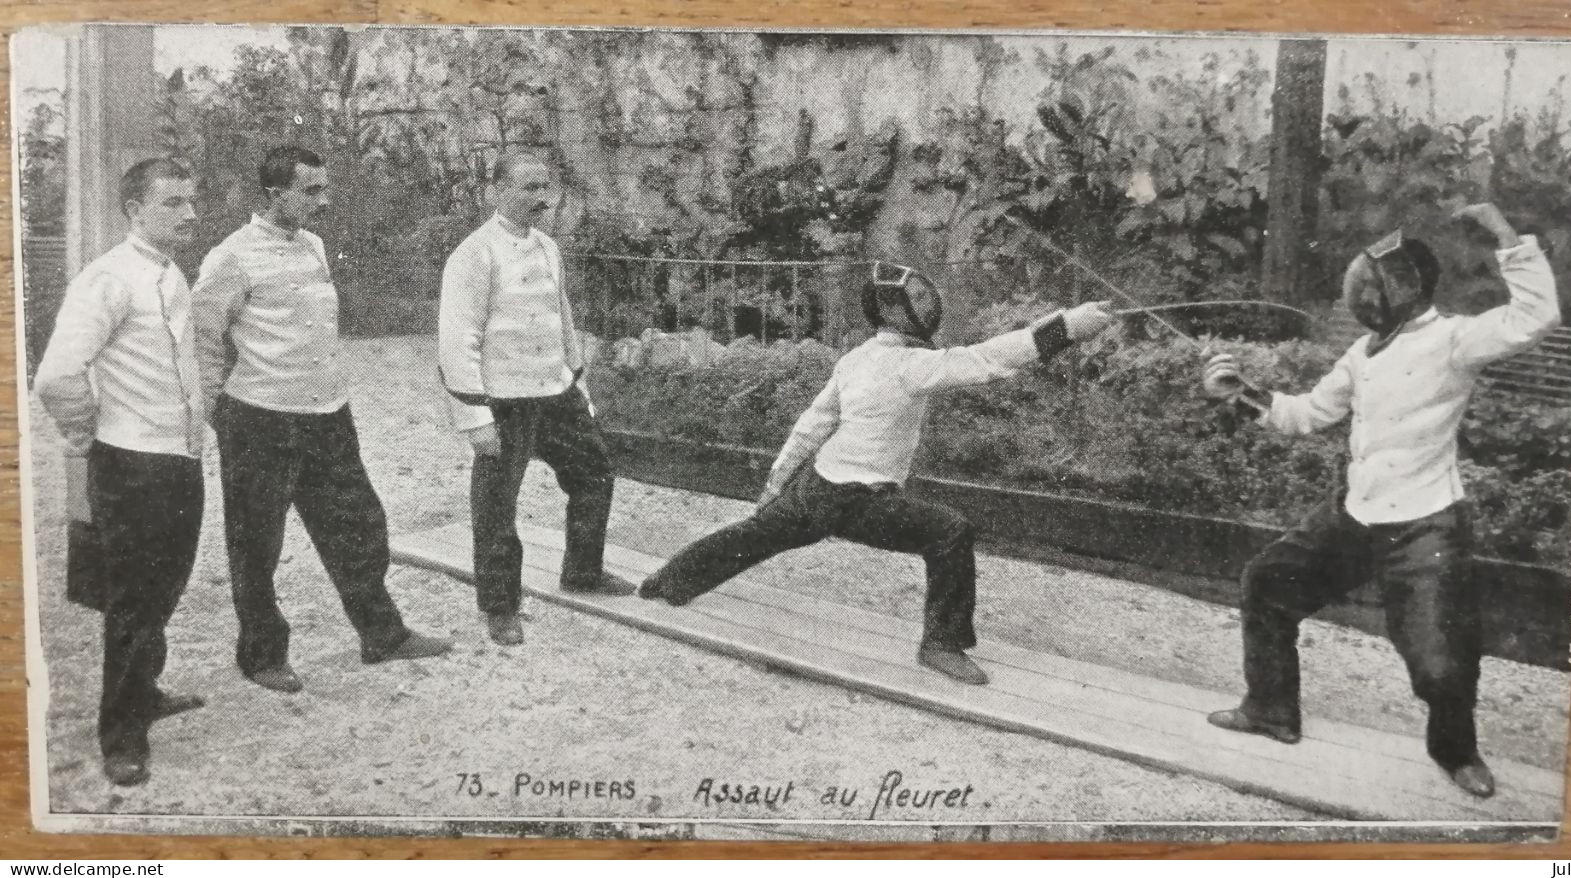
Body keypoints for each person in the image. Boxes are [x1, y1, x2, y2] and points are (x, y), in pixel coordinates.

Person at [1200, 202, 1561, 799]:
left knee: (1441, 659)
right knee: (1267, 582)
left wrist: (1503, 233)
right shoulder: (1363, 352)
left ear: (1401, 289)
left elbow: (1537, 314)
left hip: (1425, 525)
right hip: (1355, 512)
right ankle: (1270, 711)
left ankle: (1457, 754)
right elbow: (1308, 414)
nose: (1360, 294)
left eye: (1370, 283)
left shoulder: (1453, 339)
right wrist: (1239, 393)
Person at [638, 261, 1117, 684]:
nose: (922, 308)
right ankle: (941, 646)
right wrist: (1071, 325)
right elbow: (991, 358)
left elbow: (810, 426)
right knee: (951, 532)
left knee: (757, 534)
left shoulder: (856, 358)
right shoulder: (911, 366)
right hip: (861, 497)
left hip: (818, 485)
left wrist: (776, 484)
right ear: (902, 314)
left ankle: (667, 581)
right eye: (916, 302)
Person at [194, 145, 450, 694]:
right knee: (256, 543)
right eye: (310, 191)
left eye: (323, 188)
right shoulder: (230, 257)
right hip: (259, 418)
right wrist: (215, 408)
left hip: (327, 413)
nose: (323, 200)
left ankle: (381, 635)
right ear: (274, 195)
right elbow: (202, 338)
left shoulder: (313, 245)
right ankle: (261, 656)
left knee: (361, 525)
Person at [35, 158, 208, 785]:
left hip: (178, 458)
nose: (190, 213)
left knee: (165, 587)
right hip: (131, 465)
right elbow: (57, 376)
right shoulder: (105, 279)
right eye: (172, 203)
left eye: (192, 200)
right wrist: (88, 438)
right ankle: (122, 735)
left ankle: (147, 692)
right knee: (134, 601)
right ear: (134, 210)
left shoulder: (170, 270)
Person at [438, 149, 635, 648]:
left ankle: (583, 571)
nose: (539, 198)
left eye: (544, 187)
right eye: (527, 188)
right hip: (505, 400)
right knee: (497, 505)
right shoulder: (473, 254)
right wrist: (474, 417)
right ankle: (501, 606)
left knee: (595, 473)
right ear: (497, 191)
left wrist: (578, 383)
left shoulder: (548, 247)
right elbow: (457, 339)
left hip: (555, 392)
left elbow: (561, 318)